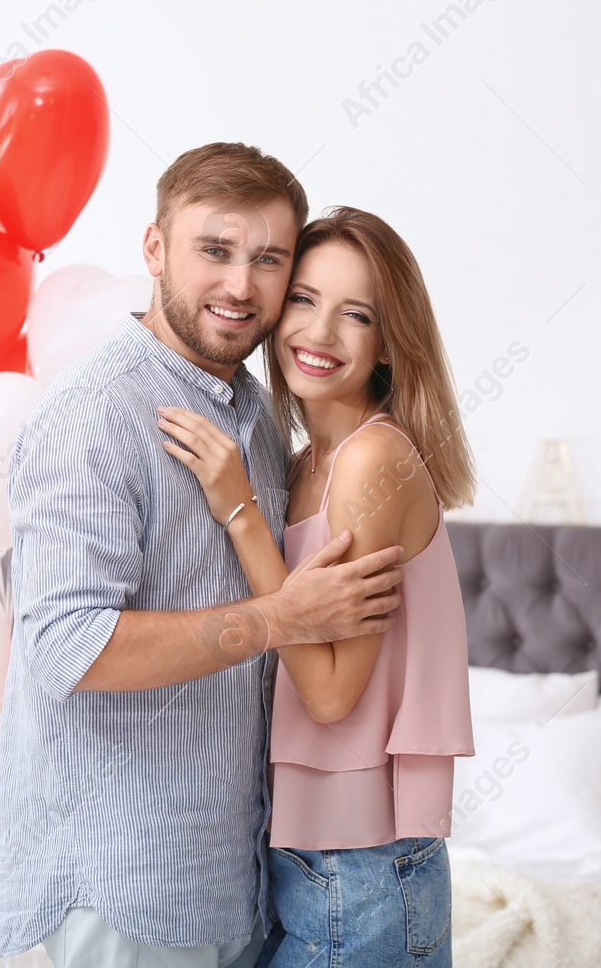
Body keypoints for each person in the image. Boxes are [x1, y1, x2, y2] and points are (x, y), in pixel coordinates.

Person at [0, 144, 407, 967]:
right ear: (154, 249)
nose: (241, 285)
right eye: (214, 250)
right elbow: (64, 647)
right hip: (124, 887)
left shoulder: (256, 414)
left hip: (234, 880)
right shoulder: (94, 415)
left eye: (268, 260)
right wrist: (278, 617)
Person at [155, 206, 478, 966]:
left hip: (361, 871)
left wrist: (240, 514)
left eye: (356, 314)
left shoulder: (375, 462)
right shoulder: (301, 464)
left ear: (389, 341)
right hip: (310, 859)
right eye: (303, 298)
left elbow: (332, 696)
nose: (320, 331)